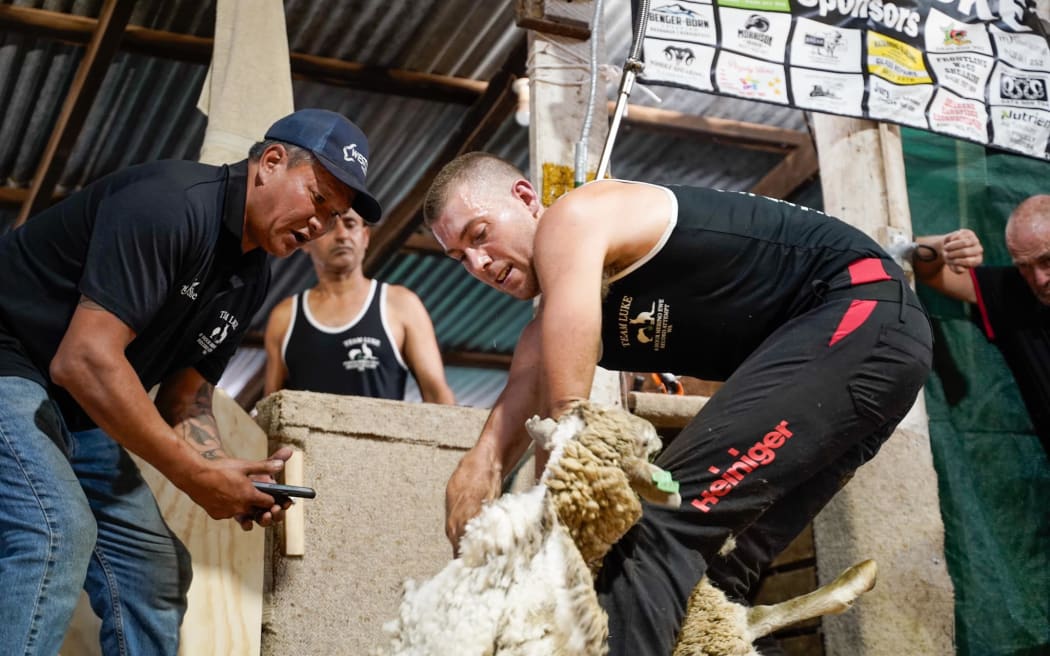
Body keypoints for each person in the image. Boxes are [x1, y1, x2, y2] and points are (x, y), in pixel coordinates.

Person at [423, 152, 932, 655]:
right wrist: (479, 472)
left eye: (479, 234)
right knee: (709, 585)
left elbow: (568, 420)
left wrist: (562, 507)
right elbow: (506, 438)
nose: (478, 264)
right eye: (460, 258)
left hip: (860, 314)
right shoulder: (551, 318)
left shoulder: (574, 217)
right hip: (873, 361)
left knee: (655, 529)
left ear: (526, 198)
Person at [0, 108, 381, 656]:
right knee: (55, 532)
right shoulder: (171, 203)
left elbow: (186, 398)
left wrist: (218, 465)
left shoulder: (252, 276)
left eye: (336, 213)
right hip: (12, 363)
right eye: (318, 199)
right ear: (270, 162)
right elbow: (83, 359)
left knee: (154, 570)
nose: (320, 224)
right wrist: (194, 477)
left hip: (75, 411)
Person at [263, 208, 455, 404]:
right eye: (330, 227)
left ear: (365, 237)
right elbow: (270, 406)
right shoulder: (284, 316)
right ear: (307, 239)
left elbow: (437, 394)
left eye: (350, 224)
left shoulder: (401, 304)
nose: (342, 235)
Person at [913, 195, 1050, 453]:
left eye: (1047, 261)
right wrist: (946, 245)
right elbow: (914, 262)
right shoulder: (1015, 294)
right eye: (1024, 266)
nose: (1039, 278)